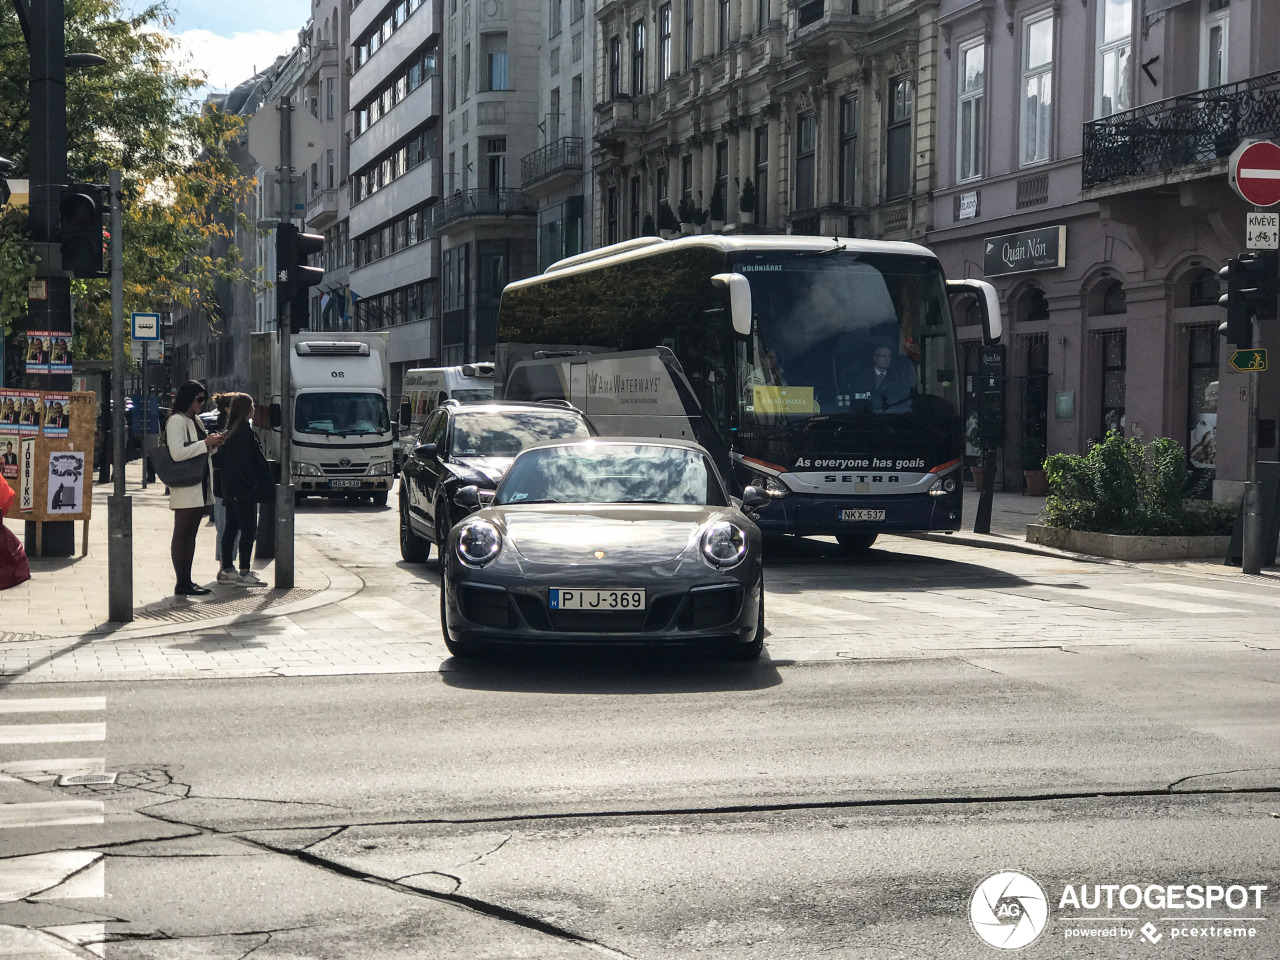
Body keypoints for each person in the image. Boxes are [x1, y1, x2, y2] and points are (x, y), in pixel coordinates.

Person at [166, 380, 225, 596]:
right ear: (188, 398)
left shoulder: (196, 420)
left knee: (191, 533)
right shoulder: (176, 421)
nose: (202, 403)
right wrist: (205, 444)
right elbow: (177, 453)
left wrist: (214, 445)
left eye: (204, 399)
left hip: (200, 482)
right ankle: (181, 582)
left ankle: (187, 580)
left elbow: (201, 451)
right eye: (199, 399)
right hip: (185, 484)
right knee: (182, 532)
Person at [212, 393, 273, 587]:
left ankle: (228, 569)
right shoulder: (243, 433)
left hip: (231, 490)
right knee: (248, 530)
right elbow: (244, 464)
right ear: (246, 410)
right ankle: (244, 572)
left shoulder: (230, 431)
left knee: (231, 528)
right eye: (252, 406)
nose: (254, 410)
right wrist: (254, 484)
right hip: (243, 491)